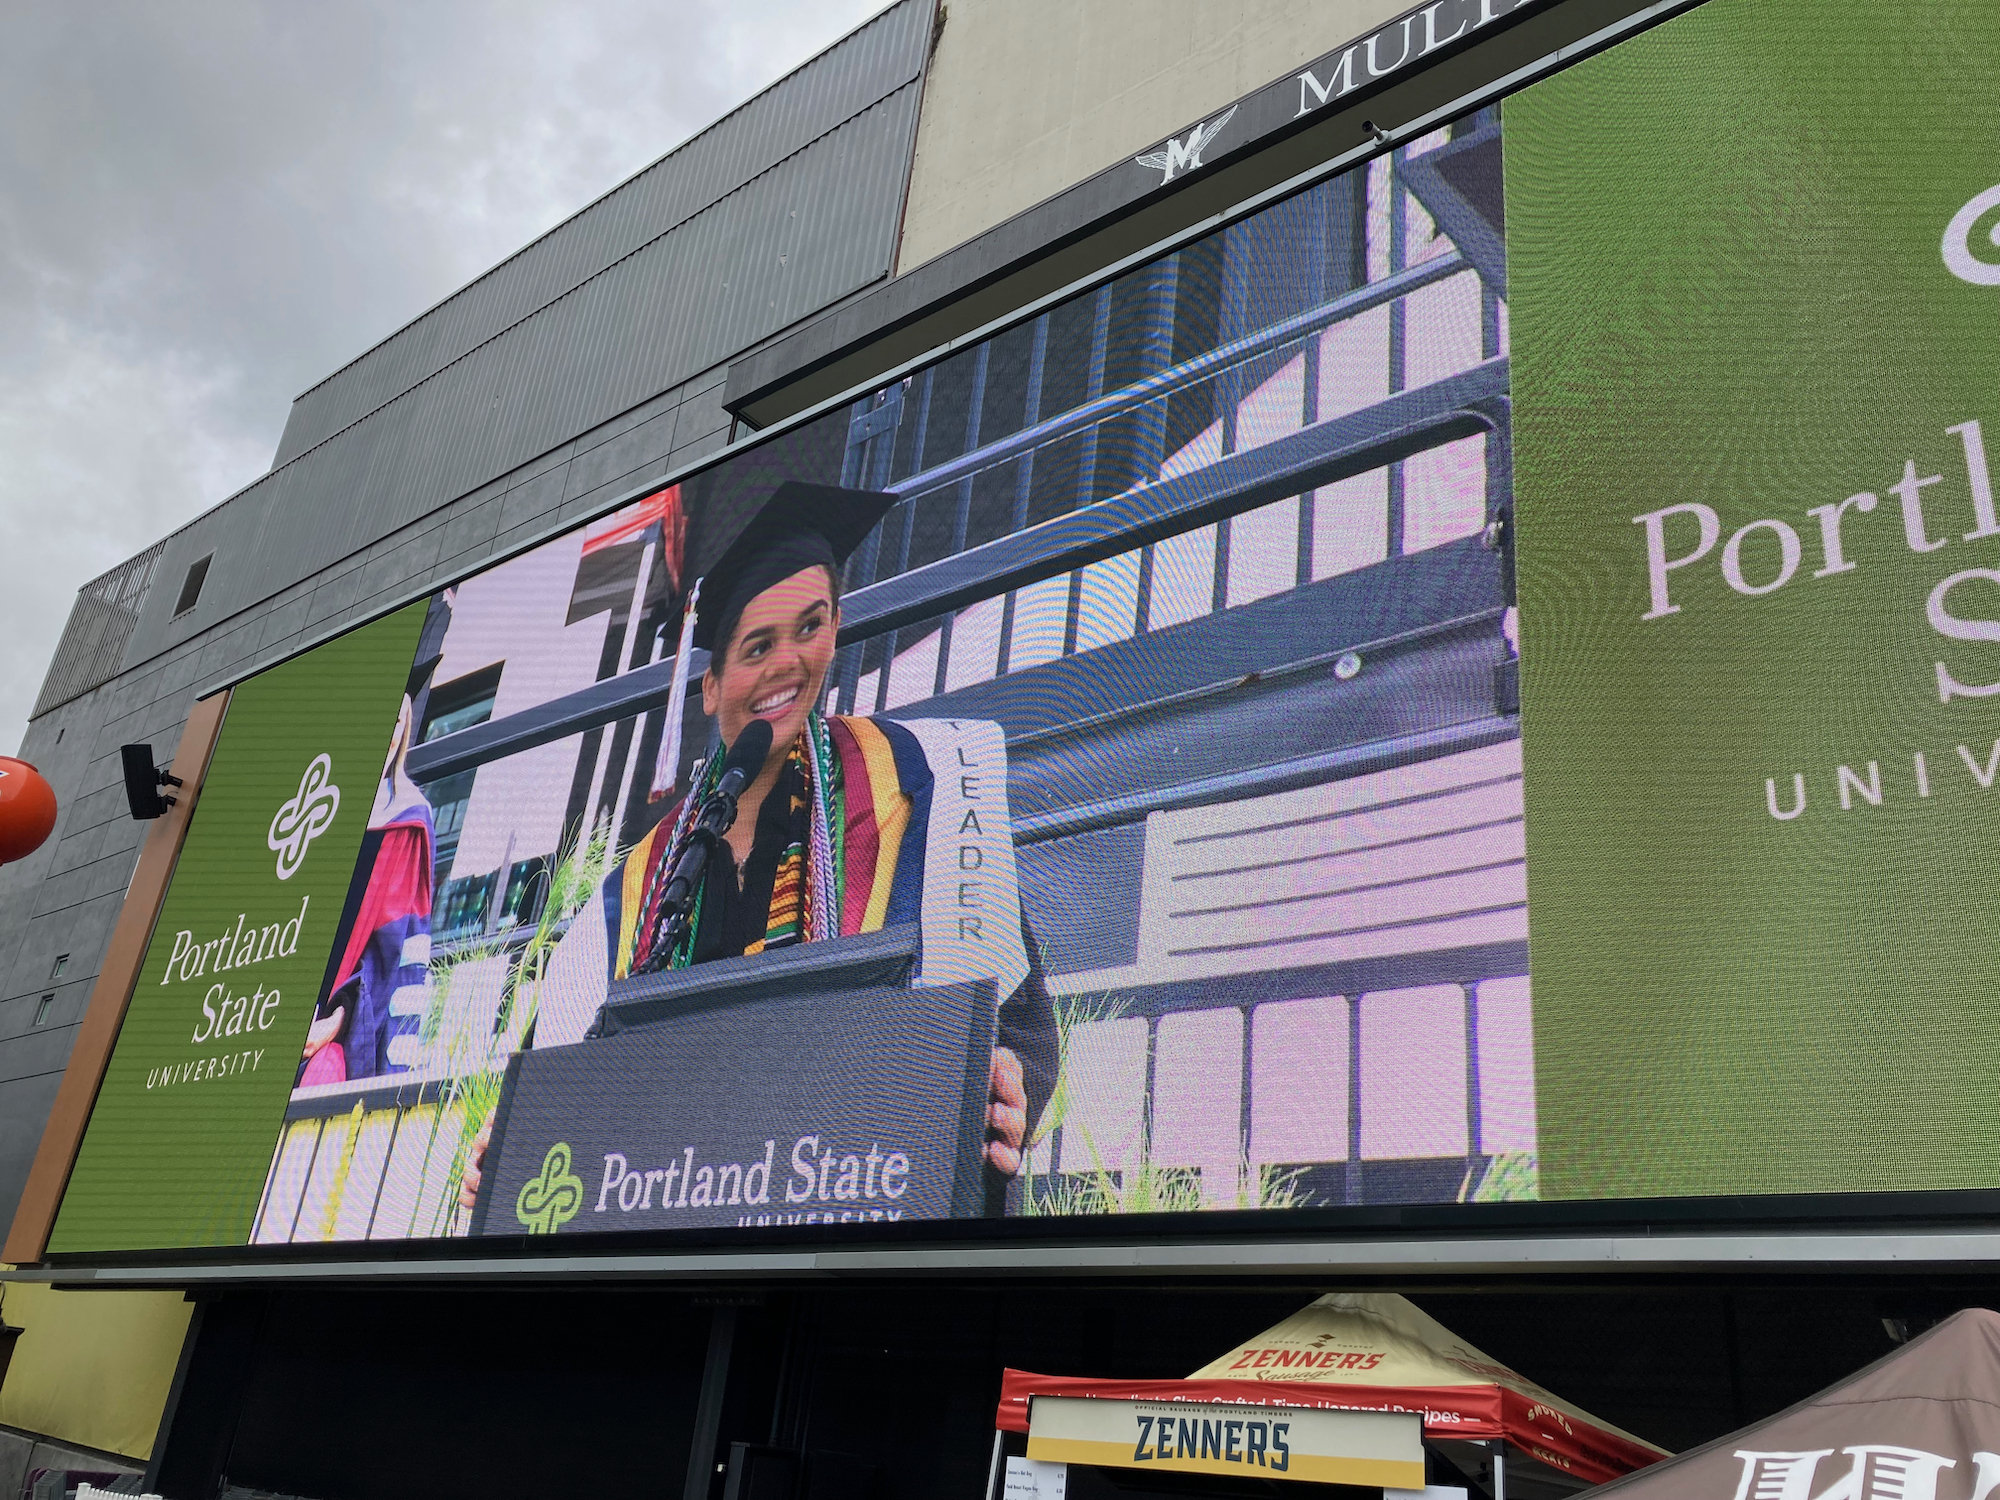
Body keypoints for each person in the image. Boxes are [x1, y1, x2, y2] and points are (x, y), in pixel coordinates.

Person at [458, 482, 1057, 1208]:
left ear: (836, 630)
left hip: (851, 1208)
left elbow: (1018, 1029)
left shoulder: (920, 789)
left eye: (809, 628)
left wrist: (1006, 1089)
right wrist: (515, 1139)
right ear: (710, 687)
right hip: (676, 1208)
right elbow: (558, 1074)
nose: (787, 664)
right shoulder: (640, 886)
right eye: (757, 646)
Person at [298, 594, 452, 1086]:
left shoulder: (408, 819)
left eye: (398, 721)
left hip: (334, 1025)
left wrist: (334, 1021)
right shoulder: (312, 806)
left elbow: (396, 952)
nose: (388, 734)